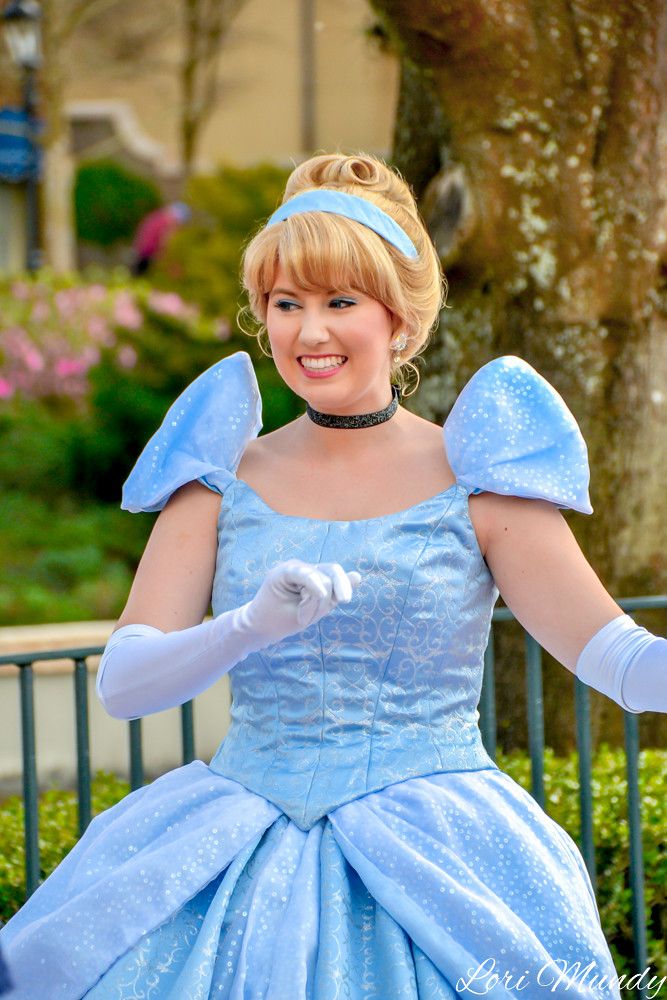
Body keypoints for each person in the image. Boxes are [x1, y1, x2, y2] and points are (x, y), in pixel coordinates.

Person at [1, 152, 666, 999]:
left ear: (399, 318)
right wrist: (248, 626)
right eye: (286, 305)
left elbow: (625, 665)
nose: (308, 333)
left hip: (443, 858)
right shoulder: (217, 480)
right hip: (233, 841)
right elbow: (126, 687)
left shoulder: (478, 479)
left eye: (339, 303)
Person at [130, 200, 191, 276]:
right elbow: (164, 242)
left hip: (141, 250)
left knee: (136, 274)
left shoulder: (156, 217)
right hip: (148, 254)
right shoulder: (166, 223)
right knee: (141, 276)